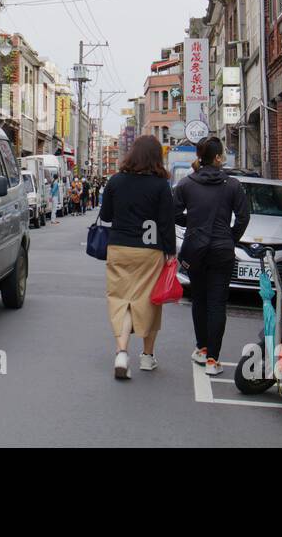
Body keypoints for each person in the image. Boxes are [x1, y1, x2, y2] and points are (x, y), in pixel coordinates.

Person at [98, 135, 176, 380]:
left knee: (121, 299)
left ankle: (121, 352)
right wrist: (171, 252)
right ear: (156, 157)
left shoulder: (116, 180)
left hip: (119, 248)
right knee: (148, 300)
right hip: (150, 250)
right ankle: (147, 356)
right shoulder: (161, 185)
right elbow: (166, 223)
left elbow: (106, 216)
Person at [172, 137, 250, 377]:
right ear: (217, 158)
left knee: (199, 300)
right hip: (222, 250)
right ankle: (213, 360)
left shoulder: (186, 184)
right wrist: (229, 237)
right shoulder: (233, 185)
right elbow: (243, 217)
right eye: (222, 153)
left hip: (196, 249)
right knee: (217, 304)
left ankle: (202, 347)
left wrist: (193, 224)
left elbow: (173, 213)